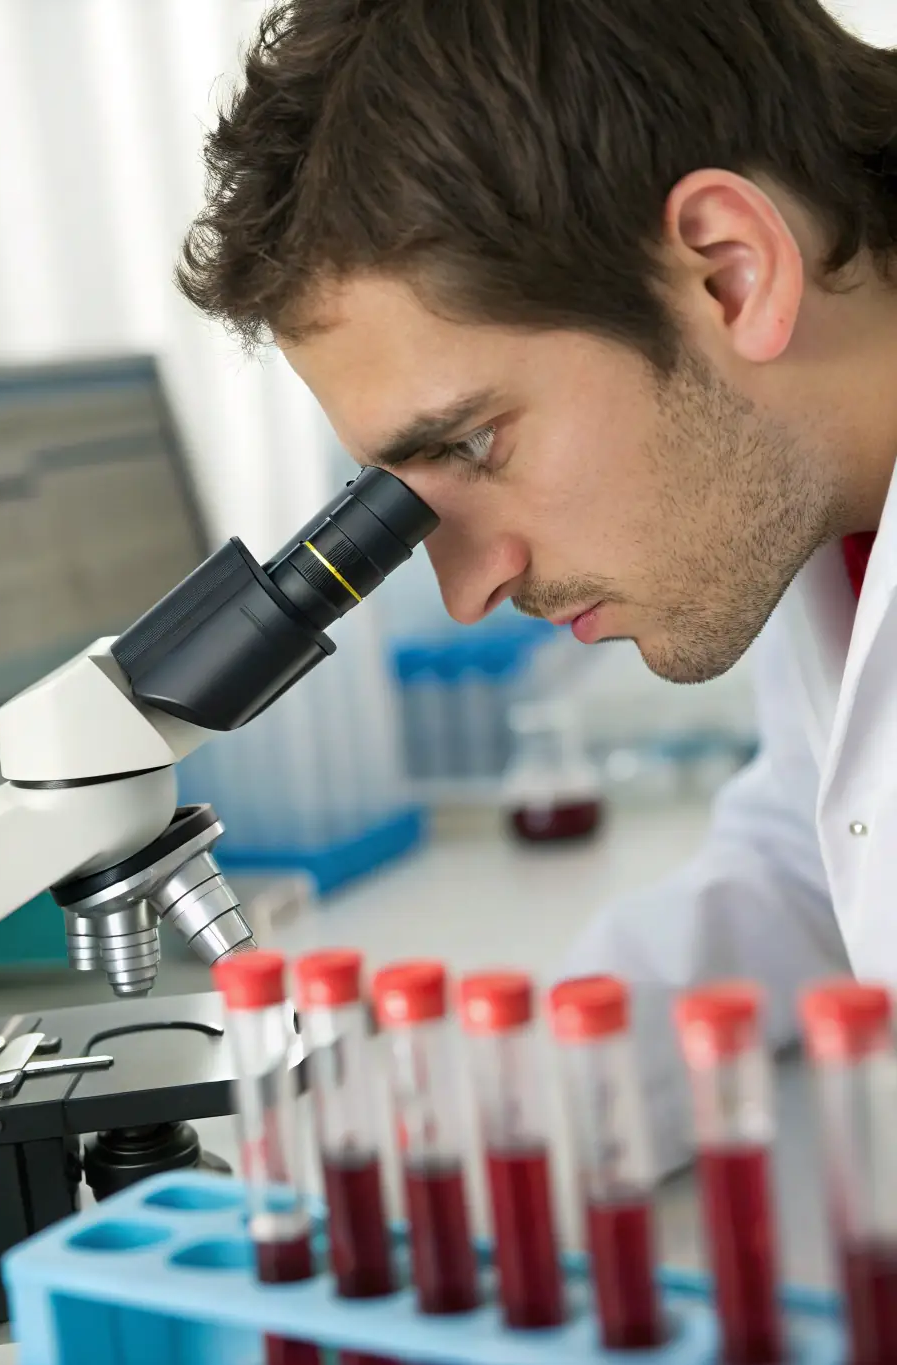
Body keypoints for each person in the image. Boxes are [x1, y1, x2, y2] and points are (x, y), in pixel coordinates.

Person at [176, 0, 897, 1167]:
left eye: (473, 444)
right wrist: (505, 1115)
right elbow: (823, 855)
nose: (466, 592)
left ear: (730, 272)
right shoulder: (819, 499)